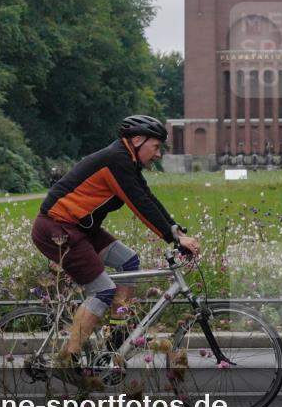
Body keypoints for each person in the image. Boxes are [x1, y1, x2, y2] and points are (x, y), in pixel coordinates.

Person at [30, 115, 200, 366]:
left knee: (129, 261)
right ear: (138, 140)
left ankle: (116, 335)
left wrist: (177, 232)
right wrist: (171, 238)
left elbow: (147, 196)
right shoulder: (116, 161)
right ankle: (68, 360)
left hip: (79, 227)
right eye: (156, 147)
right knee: (103, 289)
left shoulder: (126, 161)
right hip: (57, 228)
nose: (158, 155)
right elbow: (139, 204)